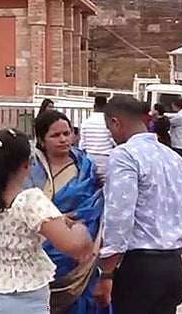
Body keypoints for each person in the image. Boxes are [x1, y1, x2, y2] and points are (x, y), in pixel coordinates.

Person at [0, 128, 93, 313]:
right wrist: (80, 228)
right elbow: (73, 246)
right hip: (22, 297)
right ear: (27, 164)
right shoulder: (30, 200)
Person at [93, 96, 182, 313]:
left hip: (138, 269)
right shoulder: (175, 159)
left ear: (116, 122)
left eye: (110, 130)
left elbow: (120, 217)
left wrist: (106, 272)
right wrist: (173, 241)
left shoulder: (125, 156)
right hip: (173, 267)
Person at [25, 111, 104, 314]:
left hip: (79, 257)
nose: (63, 139)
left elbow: (94, 210)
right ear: (42, 139)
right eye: (55, 135)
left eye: (67, 133)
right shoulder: (29, 169)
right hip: (39, 252)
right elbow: (22, 207)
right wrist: (58, 220)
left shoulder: (86, 169)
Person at [78, 95, 114, 181]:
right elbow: (113, 141)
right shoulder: (108, 123)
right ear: (106, 107)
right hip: (106, 159)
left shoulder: (85, 123)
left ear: (94, 107)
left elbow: (82, 145)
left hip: (90, 160)